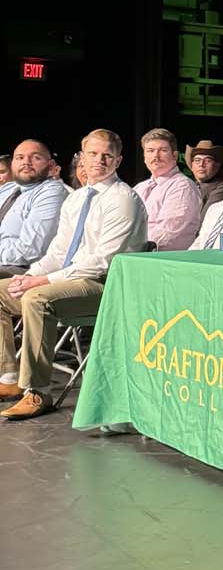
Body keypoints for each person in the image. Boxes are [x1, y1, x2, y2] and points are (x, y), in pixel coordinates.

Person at [0, 128, 148, 420]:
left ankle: (38, 391)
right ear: (82, 157)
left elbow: (102, 262)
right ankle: (8, 378)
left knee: (38, 298)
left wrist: (41, 281)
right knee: (4, 290)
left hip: (106, 286)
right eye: (93, 153)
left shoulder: (123, 199)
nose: (99, 160)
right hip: (70, 280)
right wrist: (28, 276)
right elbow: (57, 252)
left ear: (118, 160)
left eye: (108, 155)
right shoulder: (77, 199)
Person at [0, 141, 70, 386]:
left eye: (35, 157)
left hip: (25, 268)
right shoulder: (8, 190)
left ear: (50, 165)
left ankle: (5, 374)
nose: (26, 162)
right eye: (20, 157)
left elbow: (30, 249)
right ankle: (6, 372)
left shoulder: (51, 192)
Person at [134, 127, 203, 251]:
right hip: (135, 255)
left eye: (163, 150)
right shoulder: (139, 188)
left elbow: (168, 232)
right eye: (150, 151)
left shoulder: (183, 187)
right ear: (144, 157)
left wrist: (129, 246)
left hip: (163, 260)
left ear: (175, 155)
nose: (156, 155)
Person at [186, 140, 223, 210]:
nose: (201, 164)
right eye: (197, 160)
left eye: (208, 160)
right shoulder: (188, 185)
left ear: (217, 165)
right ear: (192, 166)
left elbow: (206, 218)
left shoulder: (221, 188)